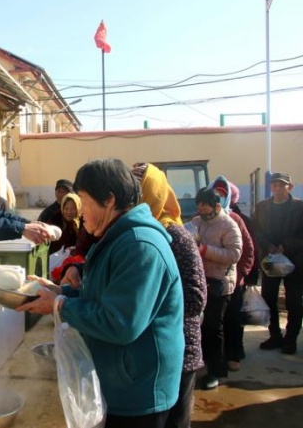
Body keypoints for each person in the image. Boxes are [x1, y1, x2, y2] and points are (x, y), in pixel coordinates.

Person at [19, 158, 184, 428]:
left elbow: (120, 323)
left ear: (109, 200)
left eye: (84, 201)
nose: (80, 211)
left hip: (139, 392)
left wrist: (59, 305)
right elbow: (103, 294)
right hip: (120, 380)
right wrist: (61, 291)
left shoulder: (140, 246)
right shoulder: (115, 238)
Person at [134, 163, 207, 428]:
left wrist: (151, 310)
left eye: (138, 192)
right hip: (153, 350)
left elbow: (196, 298)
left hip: (180, 349)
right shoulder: (140, 232)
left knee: (176, 421)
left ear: (152, 193)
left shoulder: (175, 234)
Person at [190, 187, 242, 390]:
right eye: (199, 206)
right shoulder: (196, 222)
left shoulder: (229, 225)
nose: (202, 210)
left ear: (217, 206)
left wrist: (204, 249)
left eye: (206, 206)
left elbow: (234, 254)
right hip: (201, 280)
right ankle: (205, 362)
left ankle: (217, 371)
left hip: (220, 281)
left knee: (213, 326)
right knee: (201, 325)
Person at [252, 172, 303, 354]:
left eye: (282, 185)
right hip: (270, 261)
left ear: (290, 187)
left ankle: (291, 338)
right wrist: (267, 245)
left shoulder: (299, 207)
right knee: (269, 299)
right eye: (275, 185)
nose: (278, 188)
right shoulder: (262, 207)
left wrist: (286, 246)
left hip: (295, 261)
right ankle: (275, 335)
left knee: (294, 302)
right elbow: (256, 231)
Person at [210, 176, 255, 372]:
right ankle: (216, 359)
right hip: (211, 280)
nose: (218, 198)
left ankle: (233, 355)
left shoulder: (235, 220)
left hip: (232, 281)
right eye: (215, 194)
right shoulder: (201, 220)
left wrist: (241, 275)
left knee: (233, 320)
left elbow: (248, 251)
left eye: (222, 194)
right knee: (213, 323)